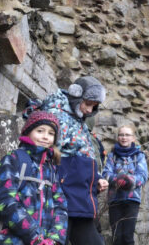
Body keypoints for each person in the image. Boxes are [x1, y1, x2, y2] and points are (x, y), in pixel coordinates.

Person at [42, 76, 109, 245]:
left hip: (79, 198)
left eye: (93, 106)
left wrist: (97, 177)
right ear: (76, 95)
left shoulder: (79, 121)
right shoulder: (57, 116)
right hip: (63, 197)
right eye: (87, 103)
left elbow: (83, 154)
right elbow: (47, 154)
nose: (89, 110)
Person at [0, 110, 68, 245]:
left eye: (51, 133)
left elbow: (60, 205)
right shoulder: (13, 159)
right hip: (12, 240)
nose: (45, 137)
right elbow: (6, 202)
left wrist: (55, 239)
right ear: (28, 132)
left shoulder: (51, 168)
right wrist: (34, 236)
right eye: (40, 131)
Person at [102, 124, 148, 245]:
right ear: (118, 137)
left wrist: (128, 180)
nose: (124, 137)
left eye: (127, 135)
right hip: (115, 199)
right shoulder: (112, 156)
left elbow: (142, 176)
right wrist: (119, 180)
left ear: (133, 138)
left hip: (132, 200)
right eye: (121, 135)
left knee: (127, 236)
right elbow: (106, 174)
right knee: (116, 237)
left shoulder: (139, 156)